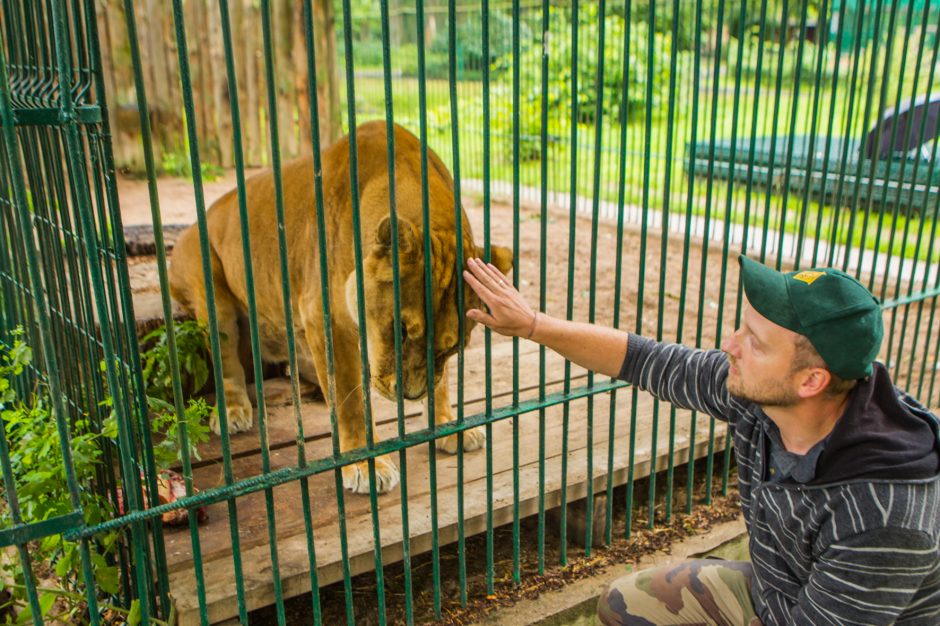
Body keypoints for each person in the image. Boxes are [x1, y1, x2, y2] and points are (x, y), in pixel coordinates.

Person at [463, 254, 940, 625]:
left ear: (811, 380)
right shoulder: (766, 395)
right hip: (782, 591)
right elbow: (647, 360)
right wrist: (532, 324)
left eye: (754, 341)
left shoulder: (883, 516)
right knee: (627, 604)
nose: (730, 345)